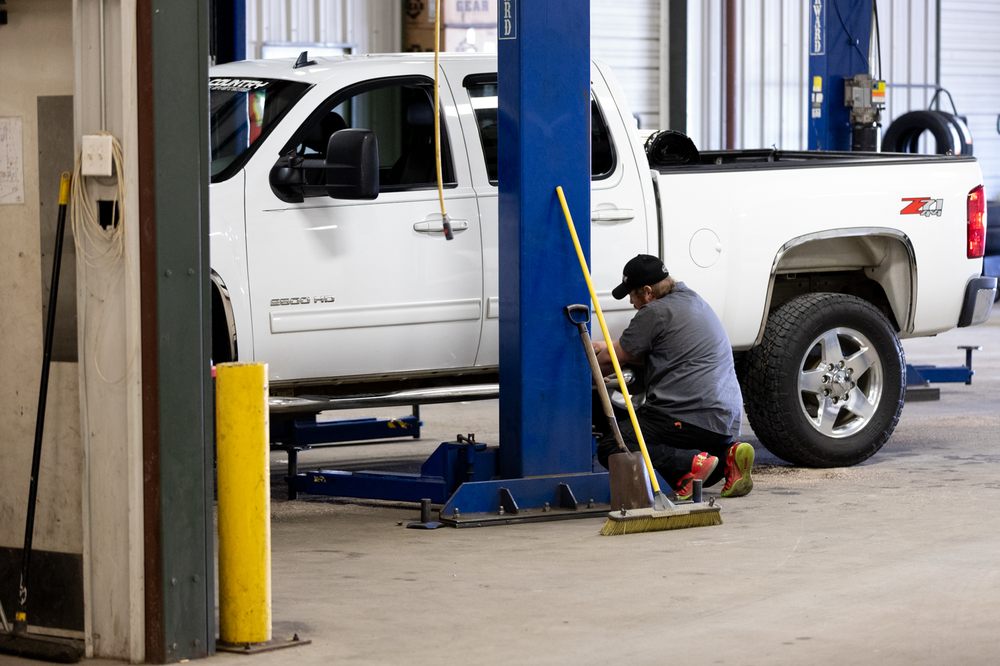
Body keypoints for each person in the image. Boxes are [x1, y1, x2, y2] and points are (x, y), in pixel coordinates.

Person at [592, 254, 754, 499]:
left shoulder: (654, 312)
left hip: (685, 416)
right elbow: (657, 348)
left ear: (647, 292)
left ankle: (688, 468)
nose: (631, 301)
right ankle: (728, 455)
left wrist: (575, 377)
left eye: (632, 295)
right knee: (695, 451)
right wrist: (607, 346)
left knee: (614, 444)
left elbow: (608, 361)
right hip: (724, 420)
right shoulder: (694, 301)